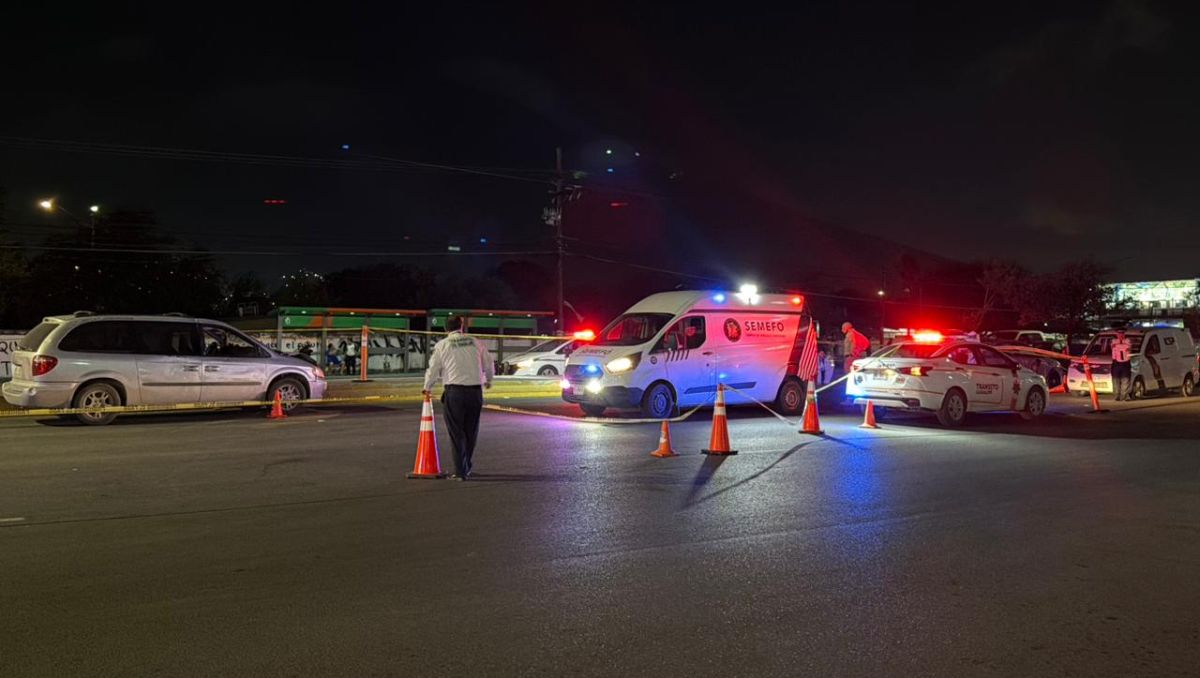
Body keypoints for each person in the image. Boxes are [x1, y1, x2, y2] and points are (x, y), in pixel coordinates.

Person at [422, 316, 494, 480]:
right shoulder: (475, 341)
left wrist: (427, 387)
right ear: (461, 327)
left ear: (445, 329)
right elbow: (489, 363)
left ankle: (460, 472)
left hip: (455, 393)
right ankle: (466, 466)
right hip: (475, 392)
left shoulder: (442, 345)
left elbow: (433, 369)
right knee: (471, 431)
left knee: (456, 432)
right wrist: (488, 380)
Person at [1110, 329, 1133, 401]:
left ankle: (1124, 396)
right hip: (1116, 362)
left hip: (1125, 362)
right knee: (1115, 380)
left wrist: (1120, 346)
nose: (1120, 335)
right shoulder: (1114, 341)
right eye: (1119, 334)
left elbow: (1129, 348)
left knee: (1125, 380)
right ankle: (1117, 396)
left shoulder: (1128, 341)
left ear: (1124, 334)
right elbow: (1112, 347)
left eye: (1122, 334)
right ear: (1116, 334)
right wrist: (1122, 346)